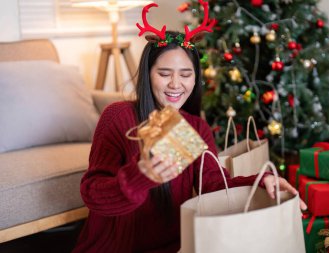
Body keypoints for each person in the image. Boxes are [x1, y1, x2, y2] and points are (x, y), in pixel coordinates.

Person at [73, 4, 306, 253]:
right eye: (164, 73)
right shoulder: (118, 116)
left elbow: (215, 187)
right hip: (115, 247)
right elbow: (92, 195)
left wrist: (262, 180)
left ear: (196, 78)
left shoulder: (195, 127)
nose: (176, 84)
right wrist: (138, 177)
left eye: (186, 74)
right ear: (147, 74)